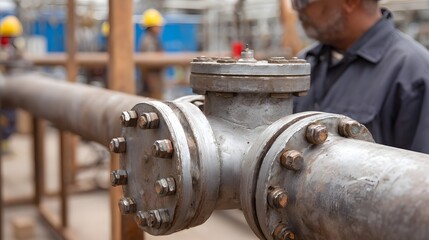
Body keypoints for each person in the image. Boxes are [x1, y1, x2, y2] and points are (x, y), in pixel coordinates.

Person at [292, 0, 429, 154]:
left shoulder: (413, 71)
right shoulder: (306, 62)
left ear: (350, 2)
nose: (295, 7)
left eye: (303, 1)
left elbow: (420, 172)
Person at [139, 8, 164, 99]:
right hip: (152, 82)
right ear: (151, 26)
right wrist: (152, 83)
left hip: (153, 81)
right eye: (158, 26)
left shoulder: (151, 39)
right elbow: (150, 64)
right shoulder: (148, 41)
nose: (160, 28)